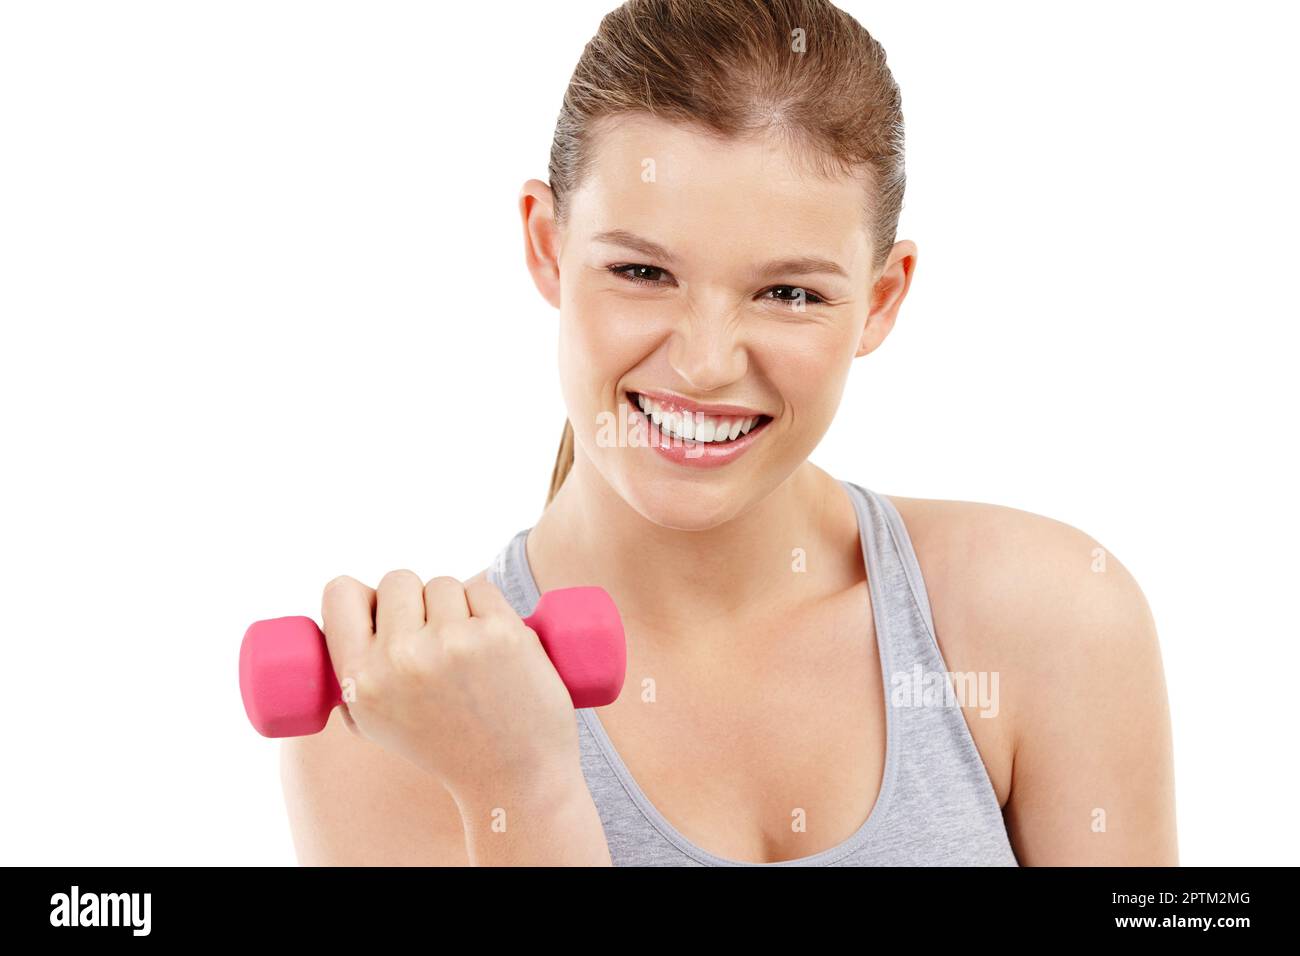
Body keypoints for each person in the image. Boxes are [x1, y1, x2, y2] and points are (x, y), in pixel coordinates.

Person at [281, 0, 1177, 866]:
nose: (706, 363)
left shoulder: (1052, 621)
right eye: (641, 269)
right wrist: (519, 789)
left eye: (790, 293)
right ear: (548, 245)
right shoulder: (383, 729)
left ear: (883, 299)